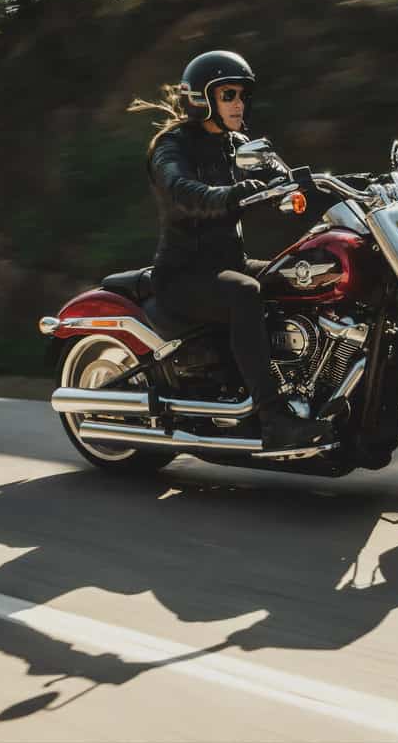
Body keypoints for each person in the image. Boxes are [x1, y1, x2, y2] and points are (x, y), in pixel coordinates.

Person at [128, 51, 334, 452]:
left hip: (230, 263)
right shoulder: (171, 147)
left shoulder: (239, 144)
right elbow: (181, 191)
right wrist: (230, 194)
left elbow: (286, 177)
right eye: (228, 95)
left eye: (241, 95)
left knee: (309, 272)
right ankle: (273, 419)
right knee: (245, 292)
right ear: (203, 100)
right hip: (184, 275)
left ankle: (311, 391)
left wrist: (344, 186)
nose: (239, 104)